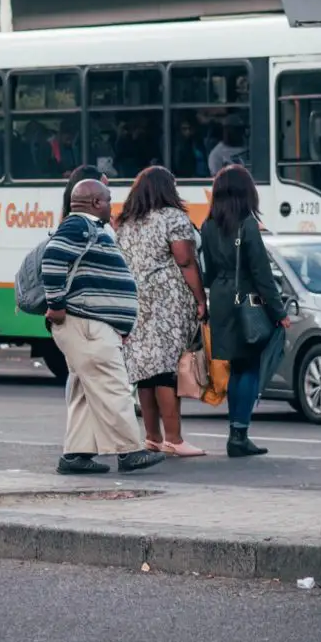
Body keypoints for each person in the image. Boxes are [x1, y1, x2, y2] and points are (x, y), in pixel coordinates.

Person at [41, 178, 165, 475]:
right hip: (86, 323)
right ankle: (129, 451)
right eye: (109, 200)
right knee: (114, 386)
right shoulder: (79, 225)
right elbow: (53, 258)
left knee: (86, 390)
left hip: (90, 324)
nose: (113, 206)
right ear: (96, 203)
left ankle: (75, 455)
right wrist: (56, 304)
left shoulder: (89, 228)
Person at [116, 166, 207, 457]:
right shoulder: (173, 218)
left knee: (145, 371)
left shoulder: (126, 222)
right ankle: (175, 439)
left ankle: (152, 436)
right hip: (167, 301)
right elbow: (185, 261)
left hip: (135, 299)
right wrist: (200, 298)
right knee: (167, 370)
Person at [200, 164, 288, 458]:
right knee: (249, 366)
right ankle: (239, 434)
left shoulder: (208, 225)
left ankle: (236, 433)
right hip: (247, 299)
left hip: (223, 301)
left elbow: (208, 272)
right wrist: (278, 313)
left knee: (235, 366)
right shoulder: (248, 225)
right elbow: (262, 274)